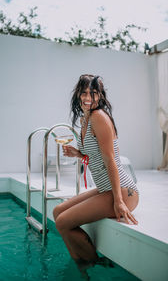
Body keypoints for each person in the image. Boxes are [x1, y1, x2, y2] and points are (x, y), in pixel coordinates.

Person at [53, 74, 139, 264]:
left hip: (123, 192)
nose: (88, 98)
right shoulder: (86, 118)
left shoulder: (99, 117)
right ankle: (81, 261)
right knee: (58, 212)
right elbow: (96, 156)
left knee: (62, 222)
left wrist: (119, 201)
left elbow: (111, 161)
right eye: (84, 93)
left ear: (100, 96)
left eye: (93, 94)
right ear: (78, 94)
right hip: (106, 189)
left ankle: (92, 265)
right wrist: (78, 154)